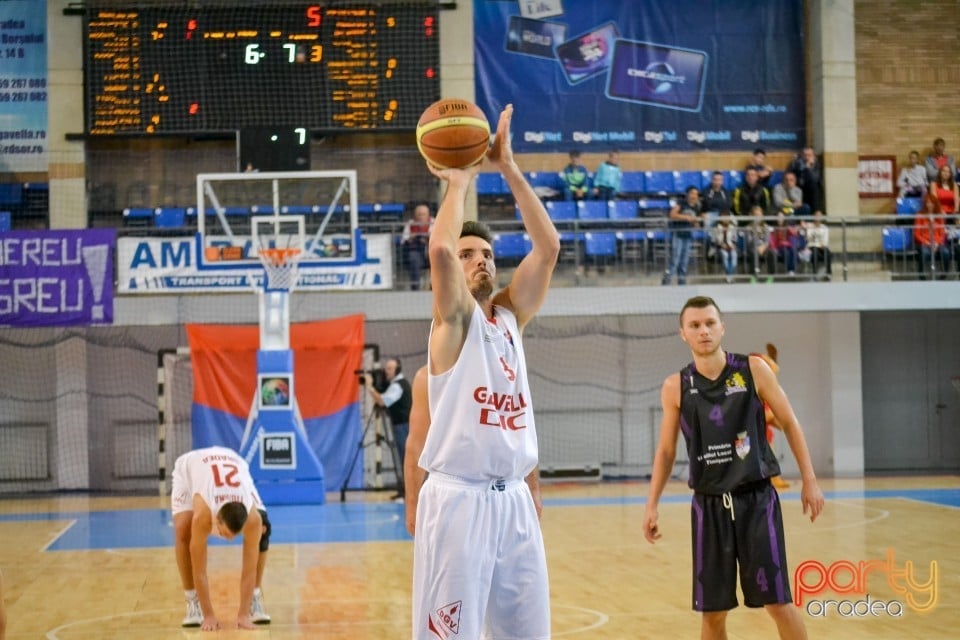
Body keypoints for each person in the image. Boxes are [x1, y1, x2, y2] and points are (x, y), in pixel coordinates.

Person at [416, 103, 558, 640]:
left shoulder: (509, 318)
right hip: (458, 501)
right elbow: (438, 250)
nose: (480, 260)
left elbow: (548, 249)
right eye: (469, 252)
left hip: (514, 502)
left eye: (487, 253)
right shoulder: (452, 321)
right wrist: (459, 181)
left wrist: (509, 167)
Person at [643, 296, 824, 640]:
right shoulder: (675, 387)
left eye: (710, 323)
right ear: (683, 333)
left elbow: (789, 421)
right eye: (695, 325)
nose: (704, 331)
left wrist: (809, 480)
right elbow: (666, 451)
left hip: (756, 501)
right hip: (709, 506)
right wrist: (651, 505)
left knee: (778, 603)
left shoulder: (753, 370)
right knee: (712, 614)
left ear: (722, 327)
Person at [404, 365, 543, 538]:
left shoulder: (509, 371)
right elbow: (416, 445)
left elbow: (521, 436)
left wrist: (534, 490)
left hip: (512, 494)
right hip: (459, 498)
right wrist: (412, 502)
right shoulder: (430, 376)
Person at [172, 446, 271, 630]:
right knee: (183, 529)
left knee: (265, 528)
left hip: (234, 461)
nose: (230, 540)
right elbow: (199, 569)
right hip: (192, 466)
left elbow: (249, 571)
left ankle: (253, 600)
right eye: (225, 534)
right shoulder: (203, 515)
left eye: (236, 535)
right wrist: (209, 615)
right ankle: (192, 603)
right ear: (216, 520)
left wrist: (242, 615)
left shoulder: (252, 520)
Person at [365, 357, 412, 499]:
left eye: (389, 369)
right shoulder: (395, 384)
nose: (386, 372)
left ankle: (408, 492)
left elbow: (381, 401)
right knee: (403, 459)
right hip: (401, 425)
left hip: (403, 426)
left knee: (405, 459)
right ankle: (404, 490)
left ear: (397, 370)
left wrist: (370, 386)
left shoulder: (398, 386)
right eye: (386, 368)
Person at [662, 186, 702, 286]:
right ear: (687, 194)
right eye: (692, 193)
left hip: (688, 236)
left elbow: (695, 222)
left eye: (696, 194)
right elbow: (672, 215)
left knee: (684, 262)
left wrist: (697, 222)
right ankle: (666, 282)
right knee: (674, 260)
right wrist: (685, 217)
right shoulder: (681, 204)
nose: (694, 196)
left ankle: (682, 284)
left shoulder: (696, 207)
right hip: (677, 235)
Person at [914, 191, 950, 279]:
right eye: (927, 202)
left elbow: (942, 232)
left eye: (931, 203)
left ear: (935, 204)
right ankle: (921, 275)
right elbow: (917, 233)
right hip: (924, 242)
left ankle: (944, 274)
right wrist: (927, 243)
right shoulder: (919, 215)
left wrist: (937, 243)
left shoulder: (939, 215)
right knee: (924, 253)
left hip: (937, 242)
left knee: (946, 252)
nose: (929, 205)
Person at [401, 204, 434, 291]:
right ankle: (415, 287)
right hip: (417, 250)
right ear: (415, 215)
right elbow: (404, 240)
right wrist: (412, 237)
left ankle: (435, 287)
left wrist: (428, 239)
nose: (421, 217)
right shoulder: (410, 224)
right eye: (419, 214)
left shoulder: (434, 222)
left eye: (423, 214)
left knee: (438, 259)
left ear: (428, 215)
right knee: (413, 258)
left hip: (431, 250)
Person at [788, 147, 825, 215]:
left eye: (809, 155)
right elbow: (789, 173)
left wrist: (807, 168)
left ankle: (815, 215)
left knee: (815, 187)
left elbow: (814, 179)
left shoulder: (816, 164)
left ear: (813, 156)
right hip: (799, 186)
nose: (807, 157)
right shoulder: (797, 162)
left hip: (812, 188)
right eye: (805, 155)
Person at [712, 211, 738, 283]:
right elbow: (714, 240)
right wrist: (721, 245)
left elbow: (735, 239)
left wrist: (734, 245)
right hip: (720, 247)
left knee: (734, 256)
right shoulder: (716, 227)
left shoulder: (732, 227)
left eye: (727, 217)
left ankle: (729, 275)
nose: (725, 219)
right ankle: (730, 276)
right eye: (723, 218)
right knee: (725, 255)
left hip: (730, 246)